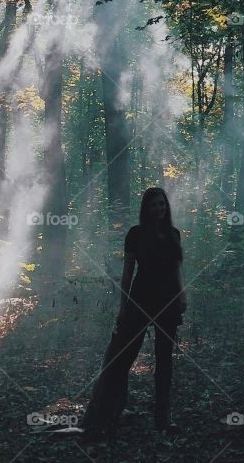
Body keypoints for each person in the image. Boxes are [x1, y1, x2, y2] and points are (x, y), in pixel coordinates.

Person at [79, 187, 187, 439]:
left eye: (161, 204)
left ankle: (162, 419)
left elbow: (176, 270)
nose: (158, 209)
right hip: (140, 302)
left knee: (165, 363)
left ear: (166, 206)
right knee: (121, 360)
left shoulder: (174, 234)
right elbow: (127, 273)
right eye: (153, 205)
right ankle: (107, 416)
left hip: (168, 304)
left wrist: (182, 294)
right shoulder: (136, 234)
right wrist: (123, 307)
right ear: (146, 209)